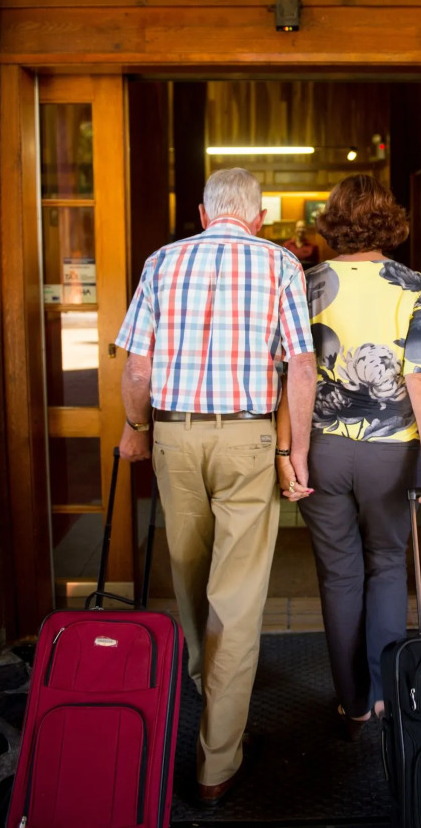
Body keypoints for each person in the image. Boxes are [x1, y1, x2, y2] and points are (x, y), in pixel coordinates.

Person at [116, 168, 316, 805]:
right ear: (257, 217)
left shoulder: (162, 261)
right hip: (248, 440)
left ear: (204, 214)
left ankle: (209, 696)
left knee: (188, 573)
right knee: (236, 595)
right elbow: (301, 365)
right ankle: (217, 761)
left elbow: (138, 363)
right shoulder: (280, 263)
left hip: (175, 437)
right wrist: (296, 453)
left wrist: (134, 428)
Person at [276, 174, 421, 735]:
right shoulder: (412, 286)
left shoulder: (306, 283)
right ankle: (385, 695)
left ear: (333, 222)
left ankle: (352, 700)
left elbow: (290, 374)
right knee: (386, 566)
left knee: (338, 574)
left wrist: (287, 451)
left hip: (321, 448)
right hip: (390, 454)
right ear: (390, 221)